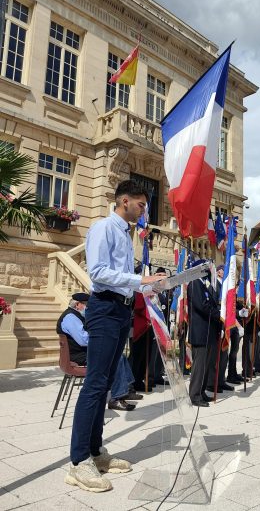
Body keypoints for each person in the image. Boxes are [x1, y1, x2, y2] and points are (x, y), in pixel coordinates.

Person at [65, 180, 166, 493]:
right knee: (95, 384)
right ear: (124, 201)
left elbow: (124, 282)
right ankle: (79, 461)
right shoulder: (103, 229)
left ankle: (96, 452)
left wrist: (150, 285)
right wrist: (140, 278)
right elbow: (97, 272)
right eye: (140, 205)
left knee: (106, 383)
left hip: (120, 310)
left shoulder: (125, 234)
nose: (144, 211)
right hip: (105, 309)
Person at [56, 292, 140, 411]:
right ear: (77, 305)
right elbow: (83, 340)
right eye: (86, 305)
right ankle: (116, 398)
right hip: (78, 356)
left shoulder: (77, 316)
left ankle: (126, 389)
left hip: (83, 353)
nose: (88, 308)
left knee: (119, 356)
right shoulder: (70, 317)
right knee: (117, 358)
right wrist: (101, 337)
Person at [187, 263, 221, 407]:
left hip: (207, 331)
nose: (208, 270)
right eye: (205, 268)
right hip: (200, 331)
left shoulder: (203, 284)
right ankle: (194, 395)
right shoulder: (195, 283)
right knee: (199, 366)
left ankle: (201, 392)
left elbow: (209, 303)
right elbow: (202, 305)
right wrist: (218, 315)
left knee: (206, 365)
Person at [207, 265, 235, 393]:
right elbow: (213, 305)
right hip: (217, 322)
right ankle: (211, 383)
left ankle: (221, 380)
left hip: (225, 322)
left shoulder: (225, 286)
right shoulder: (213, 285)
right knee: (214, 356)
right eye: (224, 270)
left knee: (224, 354)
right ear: (218, 272)